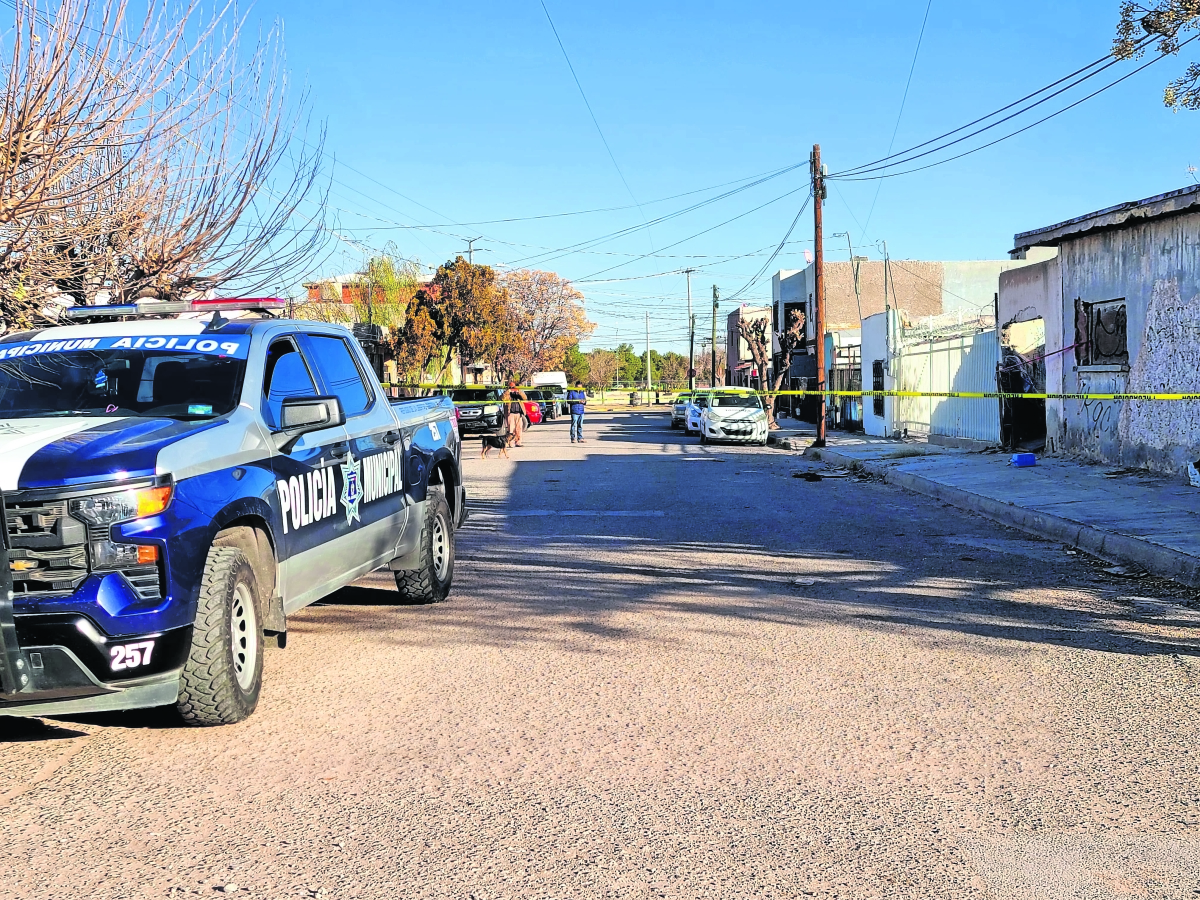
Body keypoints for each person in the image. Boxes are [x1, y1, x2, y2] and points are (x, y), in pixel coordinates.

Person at [502, 381, 526, 446]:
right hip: (510, 413)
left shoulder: (519, 392)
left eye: (514, 386)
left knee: (519, 428)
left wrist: (519, 392)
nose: (513, 388)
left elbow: (525, 398)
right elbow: (503, 399)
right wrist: (508, 392)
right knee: (511, 429)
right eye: (511, 387)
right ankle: (511, 442)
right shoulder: (506, 393)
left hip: (518, 413)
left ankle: (518, 442)